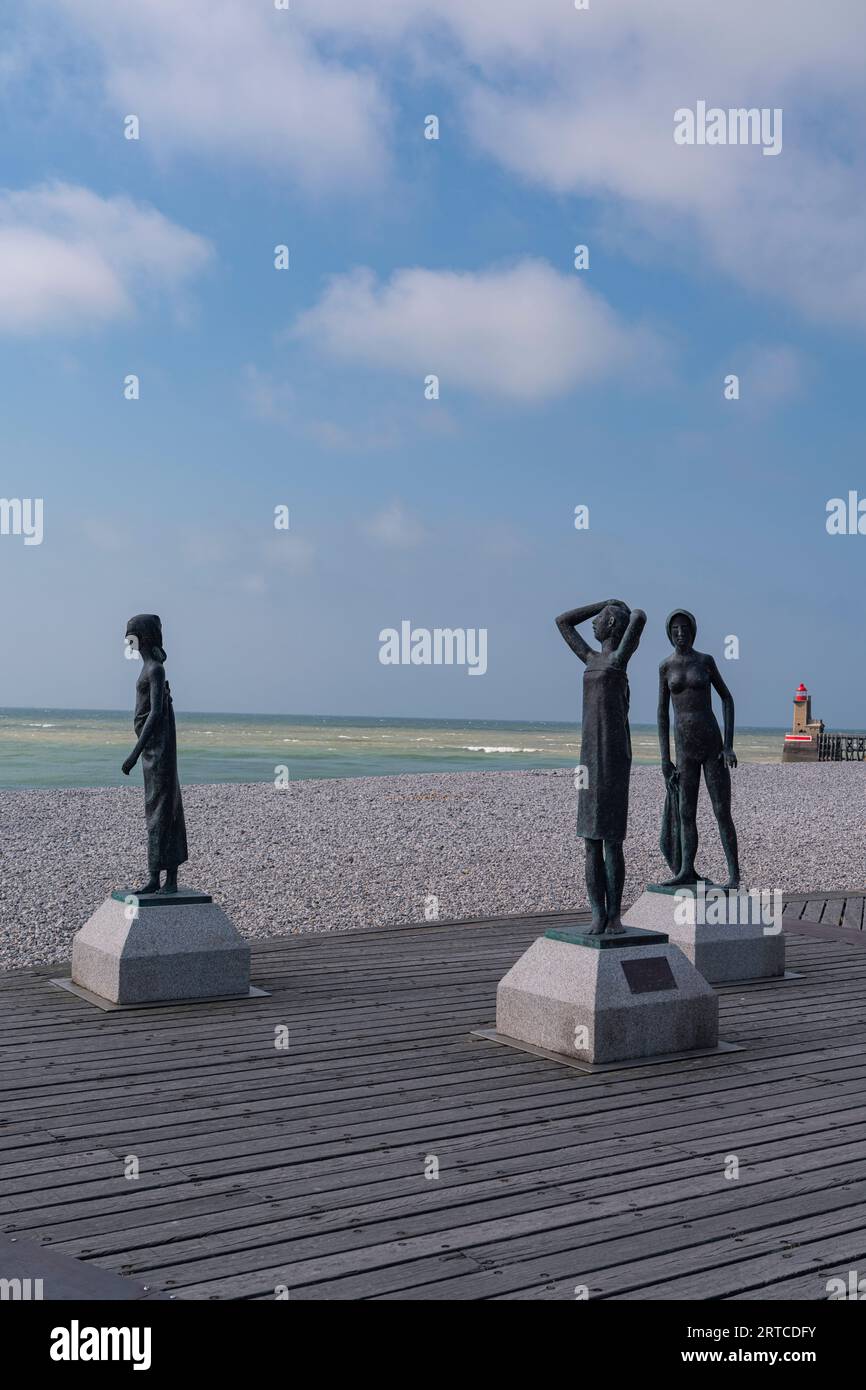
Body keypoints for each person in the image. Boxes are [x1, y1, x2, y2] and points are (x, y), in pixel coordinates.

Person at [556, 598, 646, 934]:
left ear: (611, 626)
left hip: (614, 757)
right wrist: (601, 605)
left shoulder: (619, 660)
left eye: (600, 620)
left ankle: (615, 915)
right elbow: (563, 620)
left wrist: (618, 609)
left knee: (612, 840)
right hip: (587, 760)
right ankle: (597, 912)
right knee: (590, 840)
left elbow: (639, 616)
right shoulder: (589, 658)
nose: (593, 625)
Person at [657, 608, 740, 889]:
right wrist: (665, 759)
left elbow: (727, 699)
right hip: (684, 748)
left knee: (721, 810)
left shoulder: (705, 662)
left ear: (693, 631)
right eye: (675, 629)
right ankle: (685, 870)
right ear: (669, 633)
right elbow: (661, 714)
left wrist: (728, 745)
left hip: (711, 744)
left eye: (685, 628)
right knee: (685, 812)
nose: (680, 633)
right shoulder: (665, 667)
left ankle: (733, 875)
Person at [121, 614, 188, 894]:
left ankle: (164, 878)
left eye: (131, 635)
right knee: (159, 808)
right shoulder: (148, 668)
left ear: (143, 637)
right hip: (152, 749)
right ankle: (159, 878)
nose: (128, 641)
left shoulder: (155, 670)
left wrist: (134, 754)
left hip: (157, 749)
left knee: (162, 810)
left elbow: (156, 712)